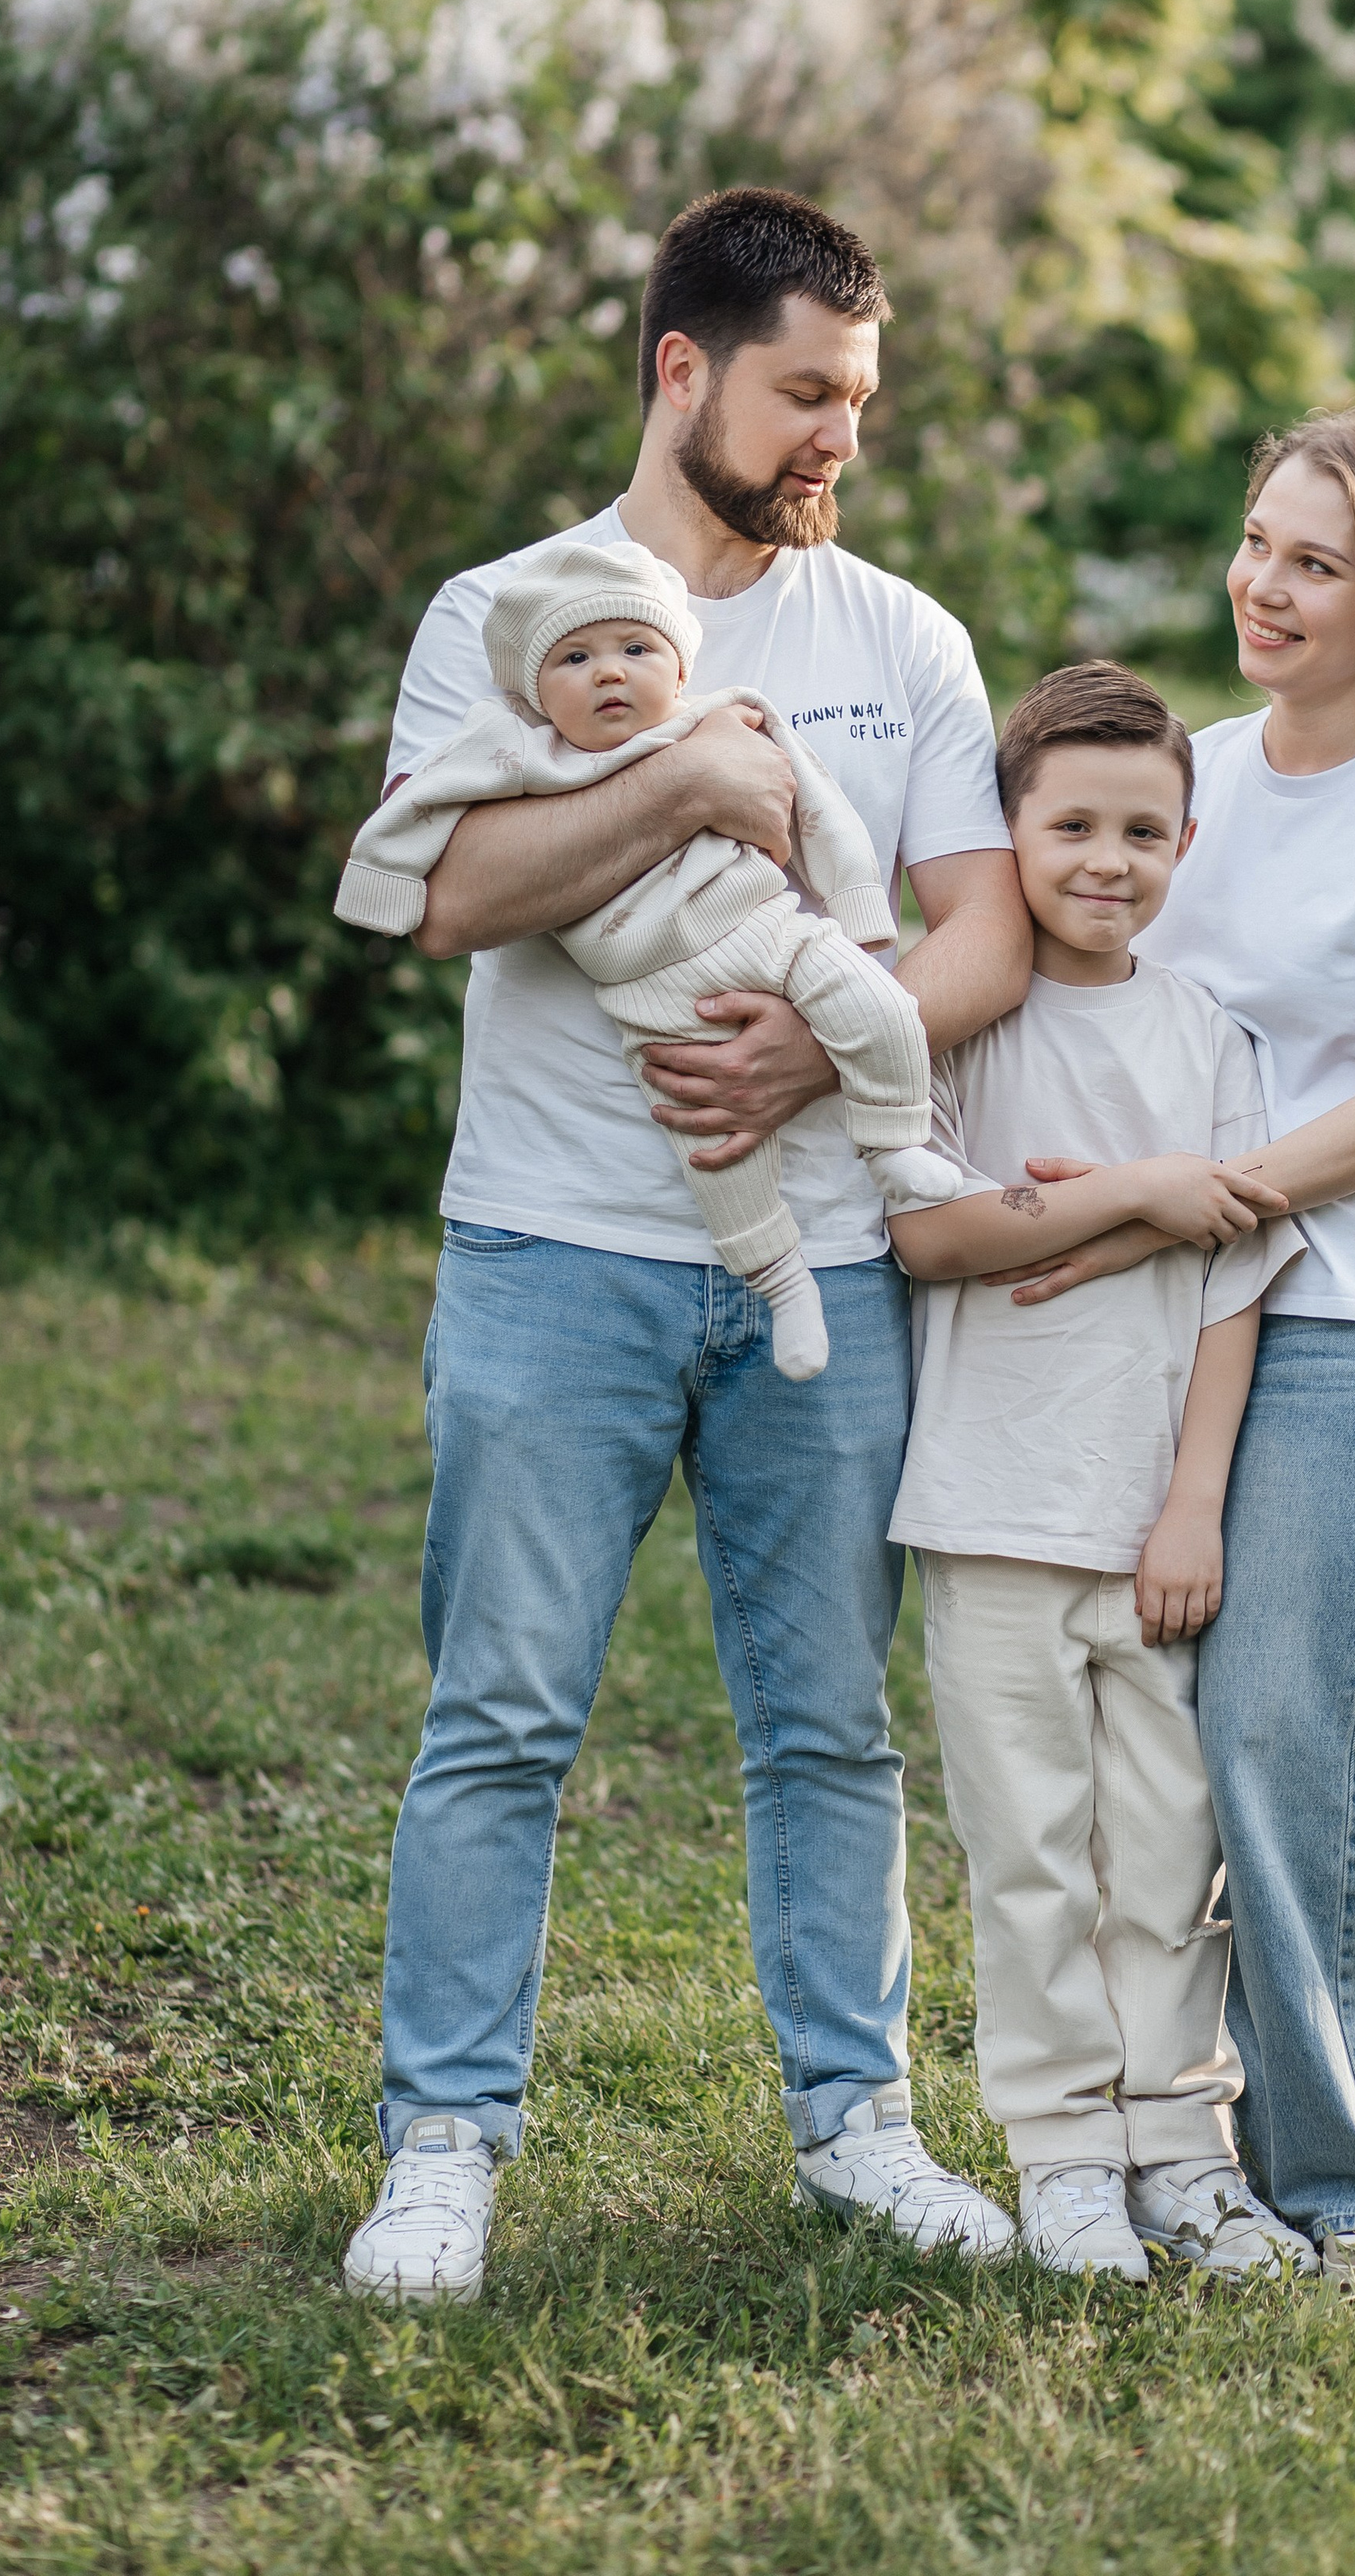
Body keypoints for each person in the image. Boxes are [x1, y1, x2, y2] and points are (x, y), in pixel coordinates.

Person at [341, 189, 1031, 2307]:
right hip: (556, 1255)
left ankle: (861, 2126)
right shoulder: (509, 614)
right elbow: (444, 895)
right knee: (503, 1716)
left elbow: (986, 927)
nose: (843, 436)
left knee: (830, 1725)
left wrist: (832, 1065)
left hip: (819, 1259)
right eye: (809, 393)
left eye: (863, 399)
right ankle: (442, 2149)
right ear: (681, 373)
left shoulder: (899, 636)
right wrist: (691, 779)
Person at [988, 410, 1355, 2291]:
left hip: (1347, 1317)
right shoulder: (1188, 779)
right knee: (1149, 1758)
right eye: (1254, 539)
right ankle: (1171, 2142)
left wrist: (1151, 1195)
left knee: (1294, 1739)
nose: (1262, 581)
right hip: (1148, 1322)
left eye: (1310, 557)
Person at [885, 662, 1310, 2285]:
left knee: (1164, 1850)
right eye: (1069, 825)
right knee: (1028, 1855)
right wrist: (1139, 1184)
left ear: (1183, 843)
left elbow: (1229, 1286)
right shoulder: (962, 1031)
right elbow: (929, 1236)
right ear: (1008, 834)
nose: (1104, 859)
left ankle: (1176, 2152)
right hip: (987, 1516)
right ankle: (1060, 2154)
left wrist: (1193, 1501)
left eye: (1141, 829)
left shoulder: (1207, 1035)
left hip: (1148, 1529)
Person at [334, 533, 960, 1380]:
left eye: (635, 649)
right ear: (531, 691)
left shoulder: (729, 708)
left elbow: (818, 807)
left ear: (676, 663)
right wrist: (380, 885)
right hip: (650, 1008)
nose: (609, 673)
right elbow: (429, 819)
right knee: (722, 1165)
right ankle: (781, 1287)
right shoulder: (523, 752)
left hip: (772, 931)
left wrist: (852, 910)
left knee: (879, 1005)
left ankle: (893, 1149)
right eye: (575, 657)